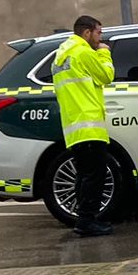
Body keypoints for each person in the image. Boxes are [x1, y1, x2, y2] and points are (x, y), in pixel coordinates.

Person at [51, 15, 115, 237]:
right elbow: (107, 76)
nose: (100, 38)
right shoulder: (83, 52)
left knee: (84, 175)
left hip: (74, 125)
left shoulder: (60, 55)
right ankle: (87, 221)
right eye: (98, 33)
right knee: (94, 176)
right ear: (86, 32)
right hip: (89, 124)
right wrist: (105, 52)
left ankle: (83, 219)